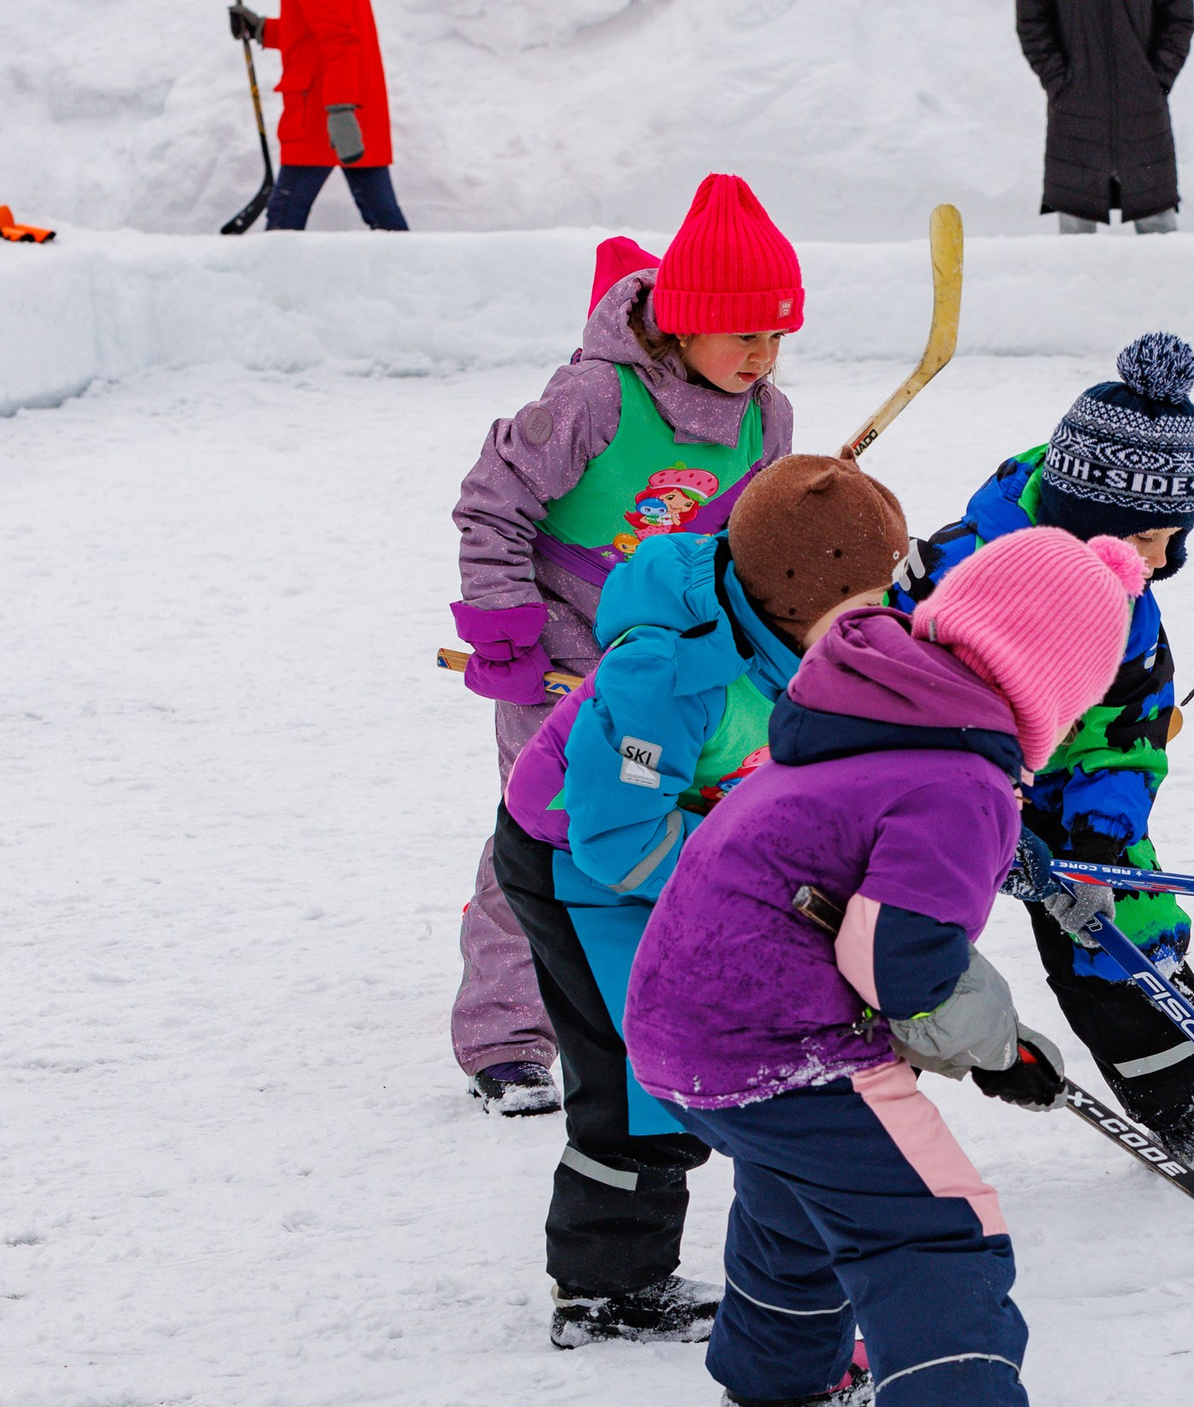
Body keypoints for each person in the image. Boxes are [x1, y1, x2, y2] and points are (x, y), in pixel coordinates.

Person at [622, 527, 1145, 1407]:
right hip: (788, 1037)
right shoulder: (959, 784)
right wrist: (995, 1048)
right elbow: (898, 960)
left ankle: (781, 1375)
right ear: (1048, 678)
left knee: (797, 1188)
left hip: (681, 1028)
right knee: (933, 1231)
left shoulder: (857, 714)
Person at [496, 457, 908, 1351]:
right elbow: (615, 836)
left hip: (687, 851)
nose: (886, 620)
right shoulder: (669, 674)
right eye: (867, 602)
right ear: (798, 600)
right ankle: (607, 1291)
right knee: (638, 1079)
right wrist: (749, 880)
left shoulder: (806, 631)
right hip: (580, 866)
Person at [446, 176, 801, 1115]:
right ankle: (506, 1033)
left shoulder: (771, 418)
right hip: (555, 642)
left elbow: (746, 550)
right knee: (550, 823)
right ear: (683, 320)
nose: (762, 357)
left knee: (683, 821)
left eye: (777, 336)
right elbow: (494, 500)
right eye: (743, 334)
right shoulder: (594, 397)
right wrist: (503, 622)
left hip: (673, 658)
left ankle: (670, 1008)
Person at [889, 334, 1194, 1186]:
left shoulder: (1132, 607)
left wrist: (1101, 838)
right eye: (1149, 541)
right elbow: (889, 689)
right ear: (1088, 525)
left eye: (1174, 540)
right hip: (933, 792)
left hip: (1061, 791)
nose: (1165, 562)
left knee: (1124, 927)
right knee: (897, 946)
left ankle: (1189, 1109)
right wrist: (972, 808)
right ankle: (855, 1121)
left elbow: (1128, 734)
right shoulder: (957, 566)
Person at [225, 1, 407, 231]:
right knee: (385, 222)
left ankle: (274, 268)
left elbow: (339, 39)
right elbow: (312, 32)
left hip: (322, 115)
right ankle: (421, 268)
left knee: (284, 219)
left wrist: (340, 110)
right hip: (345, 109)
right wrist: (263, 29)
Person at [1016, 0, 1194, 233]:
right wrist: (1059, 82)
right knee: (1076, 231)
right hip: (1076, 114)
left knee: (1158, 228)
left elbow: (1178, 18)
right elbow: (1032, 21)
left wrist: (1156, 80)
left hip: (1142, 112)